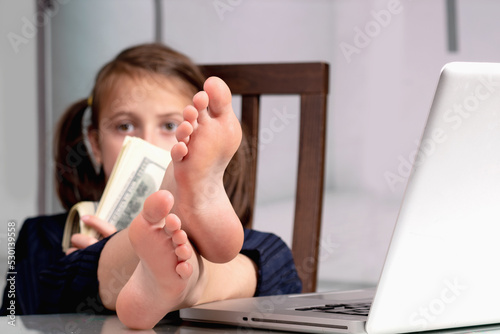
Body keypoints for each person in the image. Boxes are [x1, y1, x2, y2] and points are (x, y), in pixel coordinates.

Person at [1, 43, 302, 329]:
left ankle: (178, 276)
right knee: (53, 267)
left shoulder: (243, 244)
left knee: (267, 253)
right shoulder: (41, 235)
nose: (146, 142)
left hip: (210, 259)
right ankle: (174, 272)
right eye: (125, 126)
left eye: (170, 126)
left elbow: (283, 280)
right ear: (94, 144)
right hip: (81, 284)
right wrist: (109, 253)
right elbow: (16, 315)